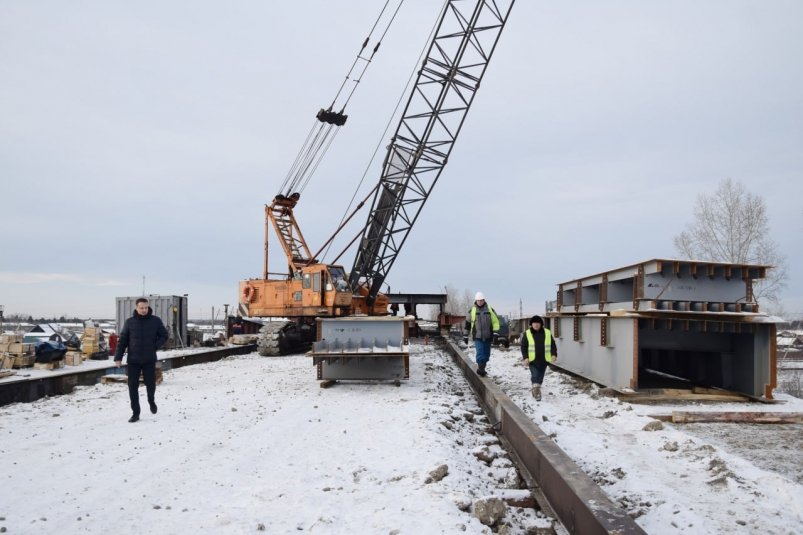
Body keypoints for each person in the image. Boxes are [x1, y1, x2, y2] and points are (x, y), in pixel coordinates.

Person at [114, 298, 169, 422]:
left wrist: (155, 345)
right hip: (133, 360)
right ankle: (136, 413)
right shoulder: (130, 322)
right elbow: (122, 340)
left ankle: (151, 400)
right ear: (136, 308)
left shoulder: (155, 321)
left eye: (146, 307)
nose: (144, 310)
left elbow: (164, 335)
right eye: (141, 308)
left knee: (151, 384)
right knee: (132, 387)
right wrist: (118, 357)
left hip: (149, 359)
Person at [520, 315, 558, 401]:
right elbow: (523, 347)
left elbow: (552, 345)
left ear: (541, 324)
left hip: (544, 359)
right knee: (535, 375)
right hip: (532, 360)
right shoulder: (527, 333)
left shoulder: (547, 332)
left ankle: (536, 388)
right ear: (531, 324)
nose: (536, 324)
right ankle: (536, 391)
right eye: (534, 323)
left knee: (540, 377)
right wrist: (526, 358)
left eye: (538, 323)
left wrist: (554, 354)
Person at [464, 291, 500, 377]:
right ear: (476, 301)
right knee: (480, 353)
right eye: (478, 300)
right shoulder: (472, 311)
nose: (480, 302)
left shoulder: (490, 309)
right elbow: (467, 324)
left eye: (481, 300)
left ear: (484, 300)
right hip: (477, 336)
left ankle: (482, 369)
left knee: (486, 354)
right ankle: (480, 369)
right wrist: (465, 335)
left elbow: (495, 322)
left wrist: (495, 333)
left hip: (488, 336)